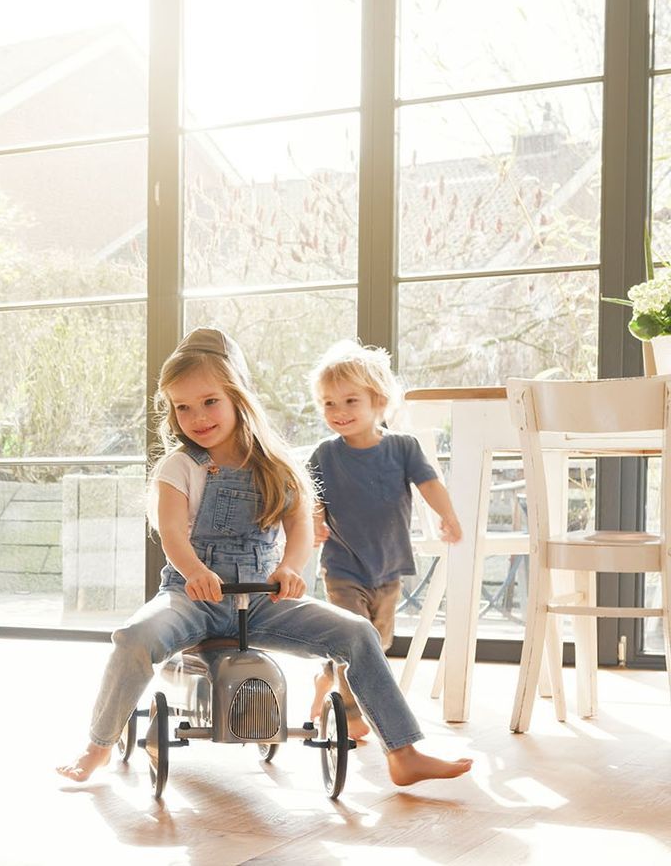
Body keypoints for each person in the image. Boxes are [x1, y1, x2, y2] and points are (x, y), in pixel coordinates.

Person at [55, 329, 471, 787]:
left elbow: (299, 525)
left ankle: (404, 751)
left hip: (260, 598)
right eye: (183, 407)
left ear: (238, 398)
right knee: (134, 637)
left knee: (357, 632)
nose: (197, 417)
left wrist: (290, 567)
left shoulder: (275, 464)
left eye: (210, 401)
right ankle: (96, 746)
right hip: (192, 597)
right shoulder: (181, 466)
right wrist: (194, 572)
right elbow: (172, 532)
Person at [306, 340, 463, 743]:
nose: (338, 412)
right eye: (328, 404)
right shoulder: (324, 455)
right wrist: (316, 524)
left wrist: (447, 515)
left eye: (349, 401)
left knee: (376, 644)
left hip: (389, 566)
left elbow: (430, 482)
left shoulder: (403, 447)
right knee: (351, 638)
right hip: (342, 566)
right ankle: (352, 712)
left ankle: (324, 679)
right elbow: (314, 500)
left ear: (378, 401)